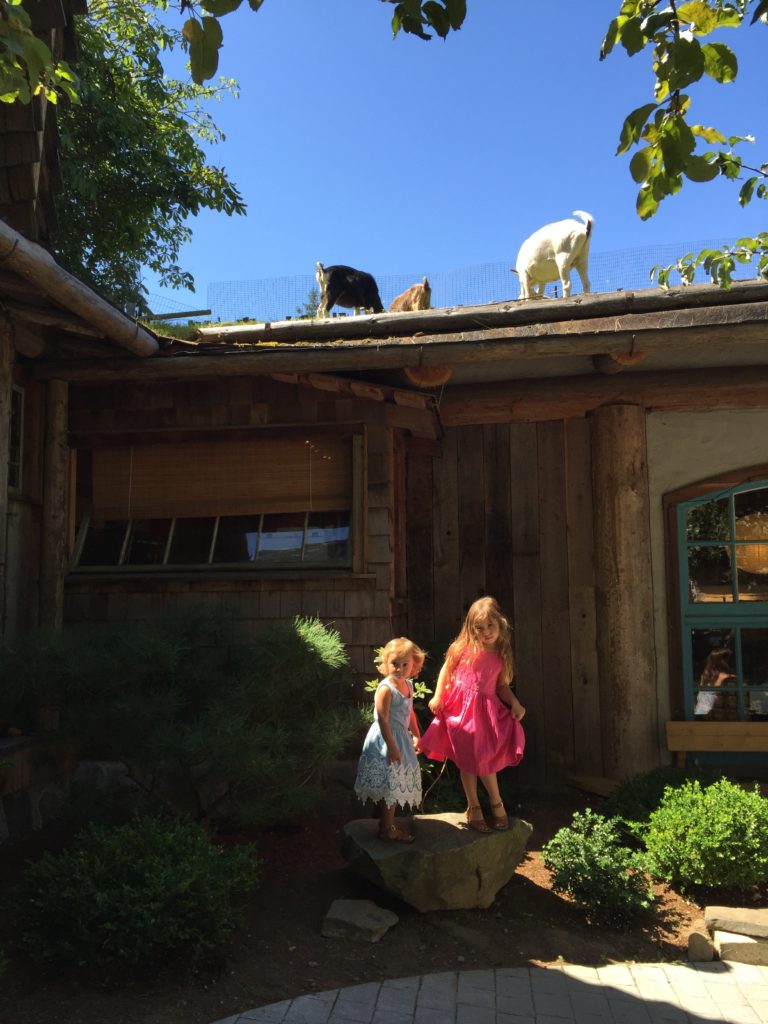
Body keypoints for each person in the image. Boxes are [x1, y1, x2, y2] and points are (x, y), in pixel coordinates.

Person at [419, 596, 525, 833]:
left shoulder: (501, 654)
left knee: (485, 757)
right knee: (467, 758)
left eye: (490, 626)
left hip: (484, 713)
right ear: (470, 628)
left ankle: (496, 802)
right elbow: (446, 668)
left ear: (500, 625)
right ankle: (474, 806)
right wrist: (437, 695)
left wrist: (515, 703)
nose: (486, 632)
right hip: (459, 710)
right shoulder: (463, 648)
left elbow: (500, 686)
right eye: (479, 627)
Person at [353, 636, 426, 843]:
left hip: (400, 739)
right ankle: (387, 827)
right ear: (386, 664)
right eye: (395, 664)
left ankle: (387, 824)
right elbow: (383, 721)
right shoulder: (386, 689)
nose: (400, 669)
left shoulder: (408, 686)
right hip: (385, 741)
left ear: (413, 666)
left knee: (394, 783)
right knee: (390, 783)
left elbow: (409, 713)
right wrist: (393, 747)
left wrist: (417, 735)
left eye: (405, 665)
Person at [693, 647, 734, 717]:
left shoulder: (728, 677)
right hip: (711, 715)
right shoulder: (707, 676)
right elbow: (703, 705)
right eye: (726, 659)